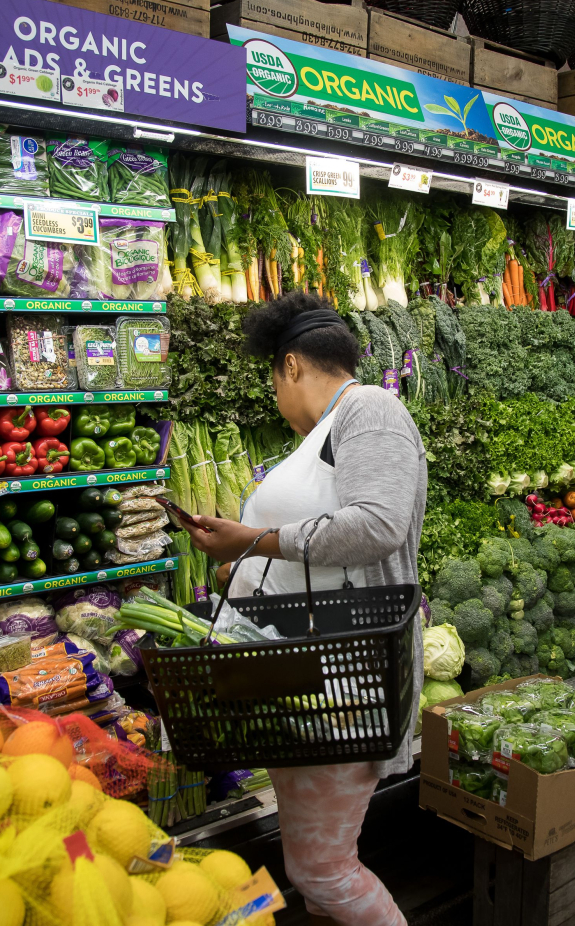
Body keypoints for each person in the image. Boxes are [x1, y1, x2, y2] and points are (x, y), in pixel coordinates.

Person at [177, 291, 426, 926]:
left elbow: (377, 526)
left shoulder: (370, 408)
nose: (276, 397)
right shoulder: (321, 434)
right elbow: (322, 540)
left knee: (322, 869)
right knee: (313, 864)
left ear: (291, 365)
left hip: (347, 679)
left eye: (272, 379)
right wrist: (245, 560)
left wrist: (254, 540)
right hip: (307, 677)